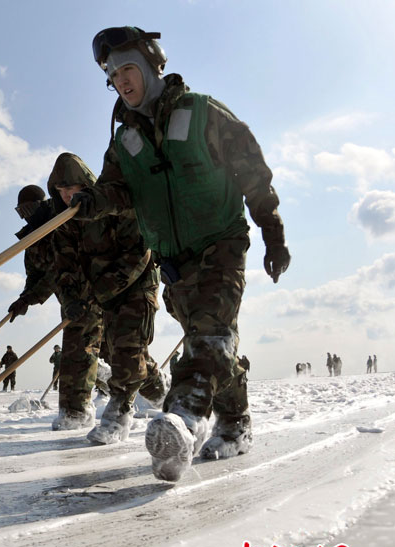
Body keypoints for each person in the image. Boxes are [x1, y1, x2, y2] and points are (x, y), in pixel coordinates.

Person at [75, 26, 290, 481]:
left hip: (221, 241)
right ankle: (235, 423)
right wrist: (93, 201)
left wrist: (272, 231)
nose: (121, 80)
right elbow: (116, 190)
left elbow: (251, 169)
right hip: (174, 261)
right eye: (112, 76)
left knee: (208, 336)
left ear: (152, 64)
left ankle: (183, 421)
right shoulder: (125, 142)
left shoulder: (201, 112)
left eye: (127, 68)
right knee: (214, 341)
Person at [49, 153, 167, 444]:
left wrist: (101, 291)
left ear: (85, 185)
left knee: (128, 347)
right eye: (61, 191)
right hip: (100, 291)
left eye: (71, 189)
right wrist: (70, 298)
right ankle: (160, 390)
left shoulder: (111, 204)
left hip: (135, 282)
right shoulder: (63, 222)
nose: (66, 196)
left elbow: (139, 252)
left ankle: (118, 415)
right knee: (114, 353)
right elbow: (64, 267)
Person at [8, 184, 102, 430]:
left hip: (89, 295)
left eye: (29, 209)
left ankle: (150, 389)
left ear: (42, 204)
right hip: (69, 302)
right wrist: (23, 299)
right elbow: (35, 275)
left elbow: (55, 271)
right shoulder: (32, 237)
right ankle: (75, 412)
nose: (25, 216)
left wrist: (32, 297)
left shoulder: (63, 220)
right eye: (20, 212)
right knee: (79, 353)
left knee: (102, 353)